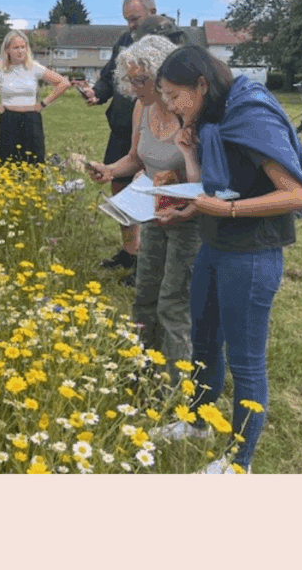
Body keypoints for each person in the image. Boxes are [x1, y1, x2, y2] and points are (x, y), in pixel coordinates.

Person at [153, 45, 302, 474]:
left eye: (173, 95)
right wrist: (187, 154)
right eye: (164, 97)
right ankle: (198, 424)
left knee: (246, 361)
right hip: (215, 245)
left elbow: (296, 194)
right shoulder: (210, 119)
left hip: (252, 254)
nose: (169, 105)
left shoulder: (249, 115)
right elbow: (209, 186)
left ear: (202, 84)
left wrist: (228, 211)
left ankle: (238, 461)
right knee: (204, 341)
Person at [88, 35, 201, 380]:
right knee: (144, 294)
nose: (134, 88)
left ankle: (175, 383)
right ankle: (143, 368)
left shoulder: (189, 111)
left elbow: (206, 176)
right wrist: (109, 170)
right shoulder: (142, 107)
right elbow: (135, 159)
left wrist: (176, 174)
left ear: (162, 76)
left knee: (173, 302)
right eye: (130, 80)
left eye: (141, 80)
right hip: (152, 214)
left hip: (188, 218)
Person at [78, 0, 157, 274]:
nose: (131, 25)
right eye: (127, 19)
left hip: (154, 131)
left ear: (152, 11)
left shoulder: (169, 39)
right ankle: (129, 252)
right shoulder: (124, 40)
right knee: (119, 187)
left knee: (150, 192)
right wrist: (96, 94)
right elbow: (110, 74)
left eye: (135, 18)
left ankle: (148, 260)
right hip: (123, 128)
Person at [0, 30, 70, 165]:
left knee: (35, 162)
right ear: (7, 49)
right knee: (9, 161)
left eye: (23, 47)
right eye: (16, 47)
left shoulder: (34, 68)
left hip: (31, 119)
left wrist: (44, 103)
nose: (20, 51)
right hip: (9, 119)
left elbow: (64, 83)